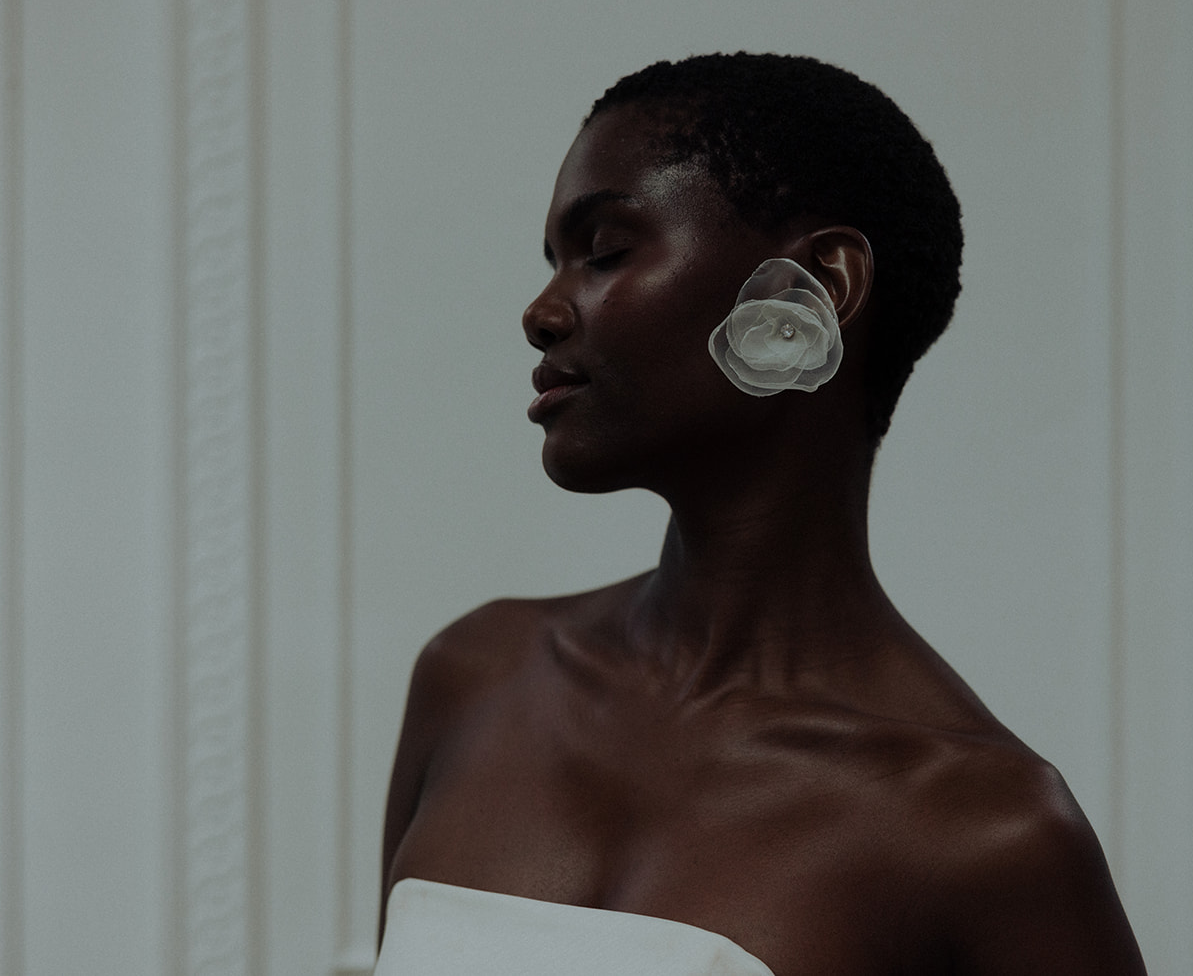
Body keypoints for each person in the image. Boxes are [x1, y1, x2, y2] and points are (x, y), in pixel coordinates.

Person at [377, 53, 1145, 975]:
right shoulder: (478, 678)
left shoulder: (983, 827)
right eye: (554, 262)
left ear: (816, 285)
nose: (543, 311)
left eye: (607, 250)